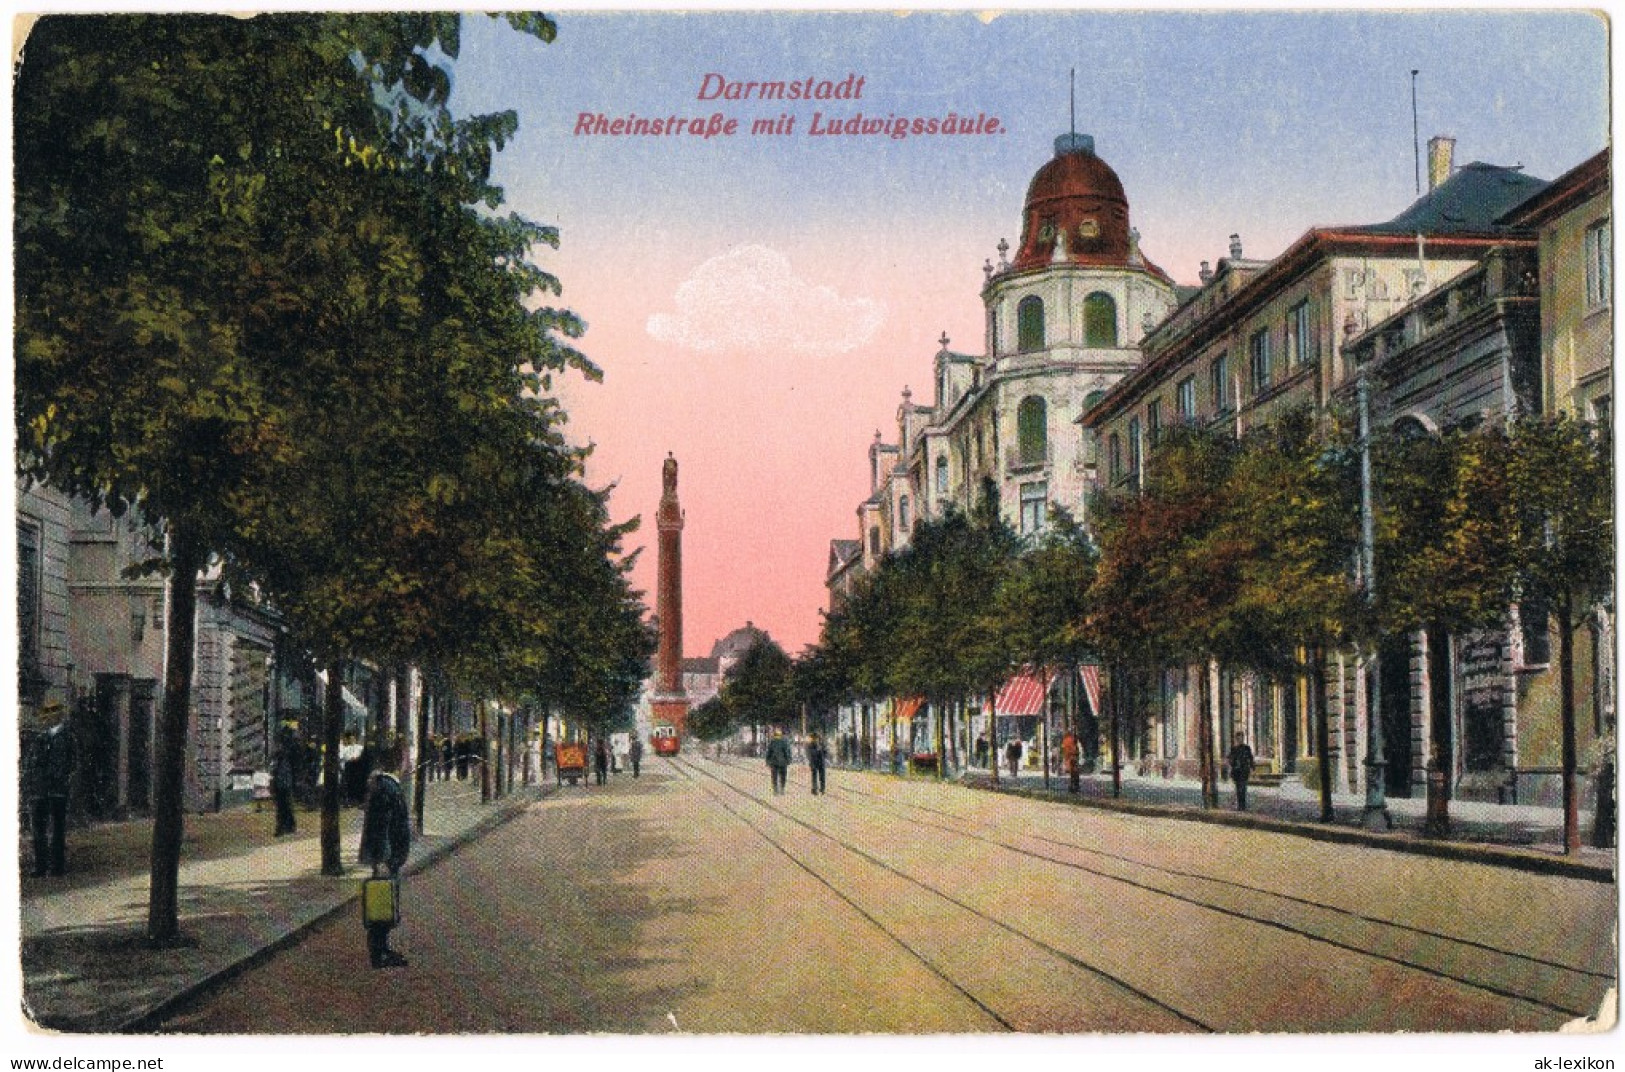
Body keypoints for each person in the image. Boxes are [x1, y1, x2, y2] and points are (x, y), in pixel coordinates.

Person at [359, 740, 411, 969]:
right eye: (406, 758)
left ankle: (382, 948)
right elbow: (381, 826)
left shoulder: (386, 786)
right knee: (382, 902)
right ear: (399, 761)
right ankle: (379, 952)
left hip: (390, 857)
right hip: (386, 858)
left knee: (386, 902)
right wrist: (381, 859)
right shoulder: (387, 788)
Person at [26, 701, 75, 877]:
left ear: (59, 716)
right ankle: (40, 866)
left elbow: (73, 763)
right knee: (38, 829)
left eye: (53, 713)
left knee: (57, 829)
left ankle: (57, 867)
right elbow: (31, 762)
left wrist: (63, 779)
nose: (48, 718)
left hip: (57, 790)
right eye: (46, 714)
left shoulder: (67, 738)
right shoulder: (40, 738)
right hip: (39, 790)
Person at [272, 725, 299, 836]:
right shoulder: (283, 749)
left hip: (286, 778)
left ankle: (285, 826)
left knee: (284, 803)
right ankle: (285, 826)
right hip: (282, 778)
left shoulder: (290, 749)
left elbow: (296, 764)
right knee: (283, 803)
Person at [1228, 732, 1255, 812]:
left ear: (1243, 738)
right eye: (1238, 738)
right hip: (1236, 772)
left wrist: (1252, 767)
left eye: (1241, 738)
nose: (1239, 740)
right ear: (1236, 739)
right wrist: (1232, 763)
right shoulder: (1234, 749)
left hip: (1244, 771)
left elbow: (1250, 758)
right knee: (1238, 788)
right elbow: (1230, 759)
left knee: (1243, 788)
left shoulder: (1247, 748)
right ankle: (1240, 805)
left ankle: (1243, 805)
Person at [765, 727, 792, 795]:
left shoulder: (772, 741)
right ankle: (782, 789)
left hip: (774, 762)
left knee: (774, 777)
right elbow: (787, 751)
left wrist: (767, 761)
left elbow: (769, 752)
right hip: (783, 762)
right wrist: (789, 760)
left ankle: (775, 790)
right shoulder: (785, 741)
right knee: (783, 776)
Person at [1061, 729, 1081, 793]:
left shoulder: (1065, 741)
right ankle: (1075, 787)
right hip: (1073, 758)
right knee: (1075, 773)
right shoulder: (1072, 739)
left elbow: (1064, 750)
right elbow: (1075, 749)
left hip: (1068, 758)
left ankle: (1072, 787)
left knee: (1072, 774)